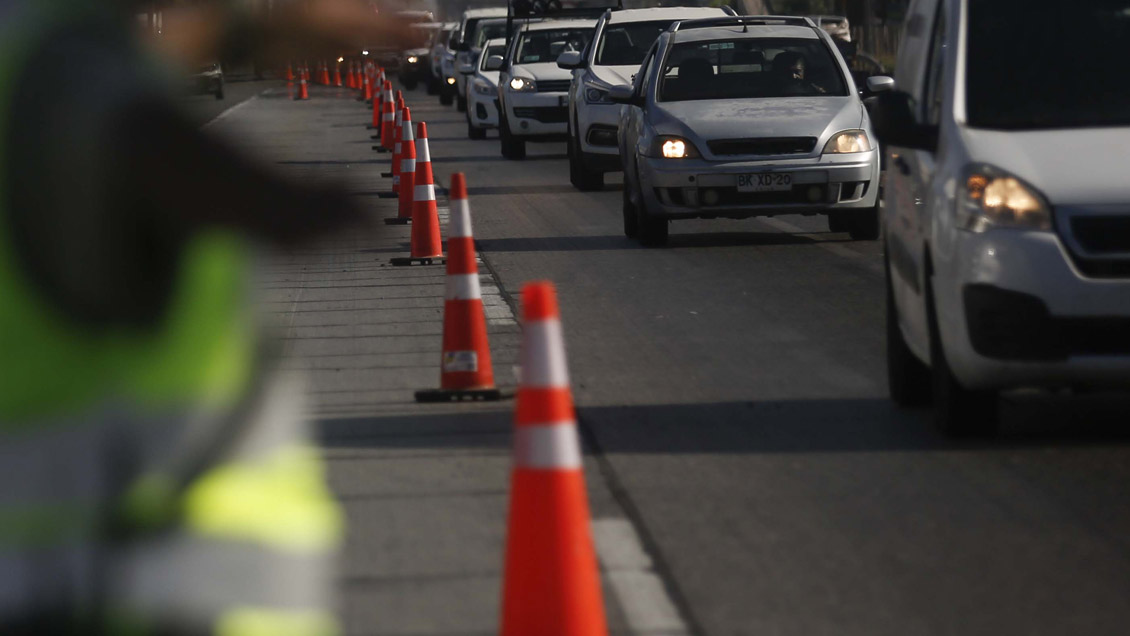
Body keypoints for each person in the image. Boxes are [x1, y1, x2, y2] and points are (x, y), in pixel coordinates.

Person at [0, 0, 396, 633]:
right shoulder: (59, 59)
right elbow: (133, 139)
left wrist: (253, 33)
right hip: (134, 583)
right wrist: (279, 202)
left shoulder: (55, 49)